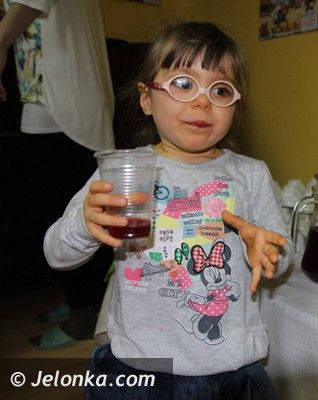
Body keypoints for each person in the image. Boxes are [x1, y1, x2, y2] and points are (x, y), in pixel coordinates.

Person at [44, 21, 291, 399]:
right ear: (147, 98)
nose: (203, 101)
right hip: (138, 368)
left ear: (235, 107)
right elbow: (56, 253)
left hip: (229, 369)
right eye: (183, 84)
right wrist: (83, 223)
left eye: (220, 90)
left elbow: (282, 255)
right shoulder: (122, 171)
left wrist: (268, 250)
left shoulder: (251, 174)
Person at [0, 0, 114, 348]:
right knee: (69, 207)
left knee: (62, 208)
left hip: (62, 103)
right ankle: (84, 301)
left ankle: (83, 310)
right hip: (54, 97)